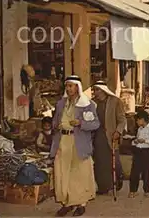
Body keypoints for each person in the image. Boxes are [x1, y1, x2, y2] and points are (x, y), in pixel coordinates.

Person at [51, 75, 99, 217]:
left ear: (77, 87)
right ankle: (67, 203)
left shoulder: (87, 104)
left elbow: (95, 124)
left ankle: (81, 204)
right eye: (67, 86)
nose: (69, 88)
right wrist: (56, 126)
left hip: (78, 142)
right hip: (62, 141)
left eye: (71, 86)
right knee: (62, 172)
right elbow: (54, 121)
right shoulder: (61, 103)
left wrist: (80, 124)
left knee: (79, 173)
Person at [91, 81, 127, 195]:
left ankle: (118, 178)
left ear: (103, 90)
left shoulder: (115, 102)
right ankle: (103, 186)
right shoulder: (93, 103)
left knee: (113, 160)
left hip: (111, 134)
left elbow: (122, 119)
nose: (95, 92)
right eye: (94, 90)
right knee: (100, 161)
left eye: (97, 90)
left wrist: (118, 131)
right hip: (97, 134)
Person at [128, 110, 149, 198]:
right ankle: (133, 190)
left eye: (138, 120)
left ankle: (147, 190)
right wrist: (135, 142)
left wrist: (145, 141)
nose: (137, 122)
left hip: (146, 152)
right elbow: (137, 139)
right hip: (138, 151)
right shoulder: (139, 129)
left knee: (146, 172)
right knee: (134, 172)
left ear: (143, 120)